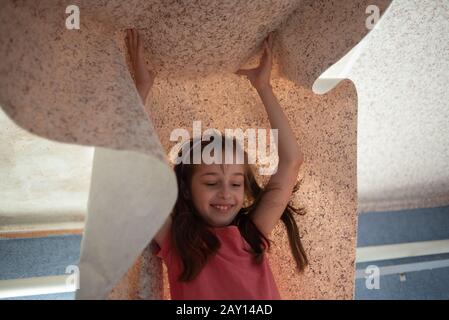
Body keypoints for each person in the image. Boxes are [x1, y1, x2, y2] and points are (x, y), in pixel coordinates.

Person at [125, 28, 308, 299]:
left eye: (235, 183)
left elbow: (292, 160)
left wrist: (264, 87)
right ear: (186, 189)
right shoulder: (177, 243)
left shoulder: (251, 235)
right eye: (211, 182)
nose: (225, 193)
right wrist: (141, 88)